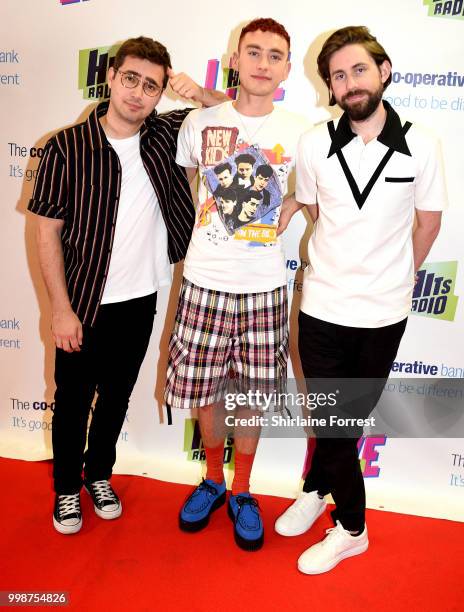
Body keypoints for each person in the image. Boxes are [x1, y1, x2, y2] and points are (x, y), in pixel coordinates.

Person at [28, 36, 228, 535]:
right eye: (131, 80)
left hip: (140, 300)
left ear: (160, 94)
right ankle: (66, 490)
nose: (138, 94)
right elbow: (45, 231)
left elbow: (238, 114)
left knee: (116, 397)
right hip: (83, 303)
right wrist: (60, 309)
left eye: (152, 86)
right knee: (72, 400)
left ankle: (99, 475)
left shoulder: (163, 134)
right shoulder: (65, 147)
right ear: (112, 78)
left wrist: (199, 95)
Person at [275, 26, 447, 573]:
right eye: (338, 75)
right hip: (322, 307)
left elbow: (428, 223)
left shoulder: (423, 144)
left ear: (384, 71)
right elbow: (311, 209)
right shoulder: (311, 143)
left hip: (384, 314)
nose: (350, 83)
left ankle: (317, 488)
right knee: (331, 422)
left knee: (343, 423)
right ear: (329, 86)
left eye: (359, 70)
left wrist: (395, 274)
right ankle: (352, 527)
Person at [165, 17, 310, 551]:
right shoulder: (200, 122)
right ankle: (212, 480)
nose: (263, 63)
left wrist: (290, 206)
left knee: (249, 395)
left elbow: (319, 194)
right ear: (236, 60)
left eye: (275, 55)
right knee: (207, 391)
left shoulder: (302, 131)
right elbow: (189, 185)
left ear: (286, 68)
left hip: (265, 285)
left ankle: (243, 491)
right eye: (253, 52)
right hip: (204, 279)